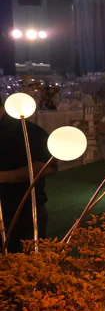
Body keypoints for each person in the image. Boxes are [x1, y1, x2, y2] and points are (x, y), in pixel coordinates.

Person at [0, 97, 51, 249]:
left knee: (26, 261)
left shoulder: (28, 131)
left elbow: (47, 167)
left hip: (22, 210)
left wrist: (4, 177)